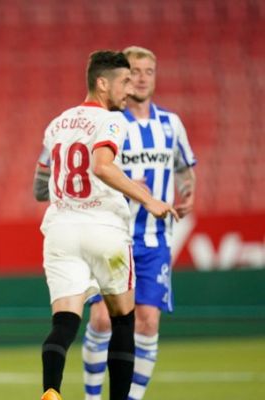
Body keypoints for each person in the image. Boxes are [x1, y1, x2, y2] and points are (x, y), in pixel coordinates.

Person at [33, 50, 179, 400]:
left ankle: (51, 390)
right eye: (124, 81)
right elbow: (101, 165)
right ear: (102, 83)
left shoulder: (58, 122)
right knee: (123, 320)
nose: (129, 90)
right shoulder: (114, 121)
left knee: (65, 323)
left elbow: (41, 183)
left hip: (61, 230)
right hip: (104, 230)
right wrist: (148, 199)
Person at [80, 46, 197, 400]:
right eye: (135, 71)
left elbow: (184, 165)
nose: (142, 78)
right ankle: (92, 397)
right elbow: (93, 170)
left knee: (147, 323)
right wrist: (131, 185)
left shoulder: (170, 124)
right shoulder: (109, 122)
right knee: (102, 320)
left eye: (149, 71)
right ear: (122, 79)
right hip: (113, 236)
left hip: (155, 238)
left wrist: (187, 192)